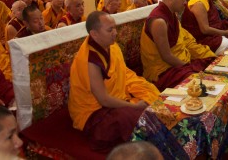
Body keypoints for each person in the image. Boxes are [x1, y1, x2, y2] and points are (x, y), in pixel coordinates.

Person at [68, 11, 160, 152]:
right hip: (93, 111)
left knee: (150, 91)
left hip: (115, 95)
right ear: (94, 34)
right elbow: (103, 99)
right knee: (133, 117)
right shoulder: (90, 60)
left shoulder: (111, 46)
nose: (115, 33)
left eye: (115, 28)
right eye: (110, 30)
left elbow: (122, 72)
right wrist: (134, 107)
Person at [140, 0, 215, 90]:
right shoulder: (159, 21)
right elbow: (166, 56)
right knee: (197, 82)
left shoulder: (171, 14)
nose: (185, 2)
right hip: (162, 72)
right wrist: (188, 66)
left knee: (209, 62)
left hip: (175, 64)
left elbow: (181, 42)